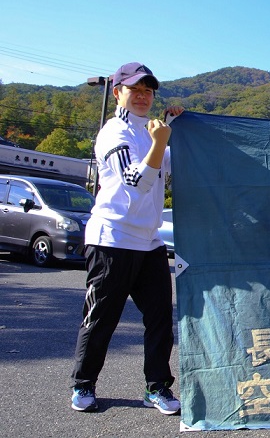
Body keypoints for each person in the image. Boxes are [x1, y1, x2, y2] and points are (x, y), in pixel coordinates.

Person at [70, 62, 184, 415]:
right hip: (111, 239)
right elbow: (136, 180)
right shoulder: (113, 132)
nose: (142, 96)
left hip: (149, 242)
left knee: (160, 318)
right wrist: (161, 140)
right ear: (117, 91)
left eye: (148, 91)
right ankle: (83, 384)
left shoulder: (153, 131)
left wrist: (178, 130)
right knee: (102, 316)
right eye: (134, 89)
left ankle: (158, 387)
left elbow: (173, 165)